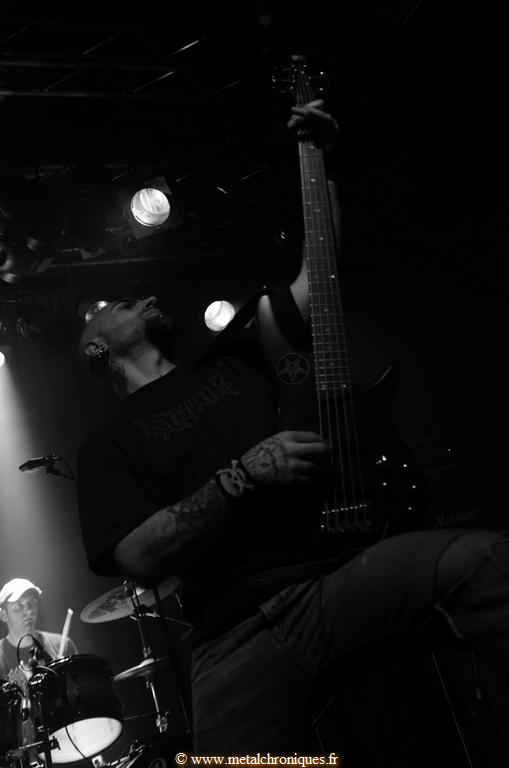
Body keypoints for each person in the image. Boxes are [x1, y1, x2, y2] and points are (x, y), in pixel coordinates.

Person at [76, 101, 509, 760]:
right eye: (124, 305)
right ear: (95, 348)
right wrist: (243, 475)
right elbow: (136, 555)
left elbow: (317, 275)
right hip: (233, 629)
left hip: (333, 577)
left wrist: (318, 162)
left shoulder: (233, 355)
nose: (145, 299)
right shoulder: (107, 445)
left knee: (488, 565)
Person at [0, 577, 77, 687]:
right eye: (18, 606)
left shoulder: (63, 644)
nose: (28, 611)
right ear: (3, 614)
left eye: (32, 603)